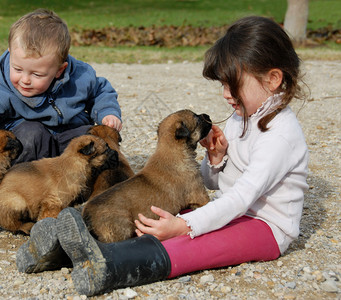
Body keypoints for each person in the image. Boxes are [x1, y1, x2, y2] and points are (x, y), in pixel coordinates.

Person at [17, 15, 309, 296]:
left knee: (190, 242)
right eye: (222, 85)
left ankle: (110, 265)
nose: (224, 94)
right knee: (157, 220)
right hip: (234, 213)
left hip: (266, 229)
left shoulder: (280, 136)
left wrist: (184, 225)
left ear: (272, 79)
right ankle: (63, 250)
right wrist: (218, 160)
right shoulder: (242, 115)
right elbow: (209, 182)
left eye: (232, 85)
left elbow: (241, 197)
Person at [0, 9, 122, 163]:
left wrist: (107, 113)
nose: (24, 80)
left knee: (97, 138)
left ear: (60, 70)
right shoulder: (0, 86)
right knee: (32, 133)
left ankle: (87, 183)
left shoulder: (81, 76)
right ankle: (23, 184)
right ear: (10, 53)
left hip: (67, 139)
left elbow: (101, 91)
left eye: (37, 74)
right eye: (17, 69)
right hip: (29, 147)